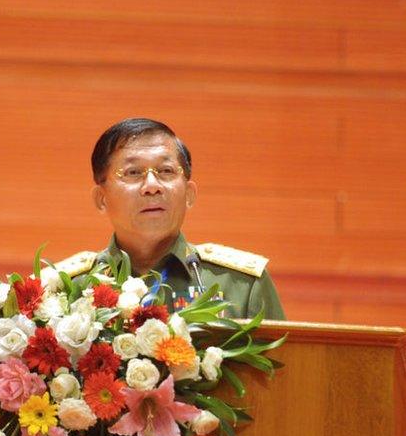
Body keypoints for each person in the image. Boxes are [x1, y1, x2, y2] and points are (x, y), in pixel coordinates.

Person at [65, 117, 285, 320]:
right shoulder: (64, 290)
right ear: (101, 198)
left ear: (189, 194)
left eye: (166, 171)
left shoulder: (242, 285)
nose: (152, 186)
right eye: (133, 173)